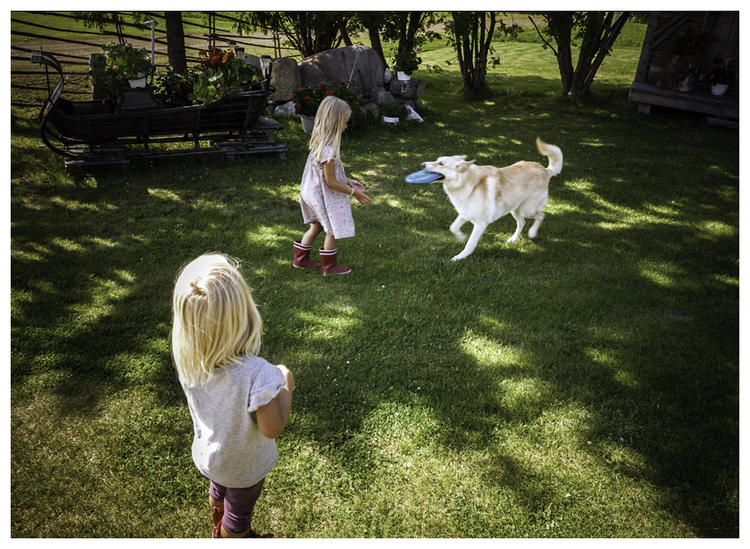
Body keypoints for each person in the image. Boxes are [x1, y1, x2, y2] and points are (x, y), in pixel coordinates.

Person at [171, 253, 295, 538]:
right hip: (244, 466)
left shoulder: (190, 363)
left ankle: (217, 518)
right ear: (244, 313)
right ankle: (231, 536)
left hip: (211, 458)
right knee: (238, 513)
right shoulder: (258, 374)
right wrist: (286, 385)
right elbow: (272, 427)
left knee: (219, 489)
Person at [294, 95, 372, 275]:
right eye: (345, 122)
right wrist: (354, 193)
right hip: (320, 195)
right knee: (331, 230)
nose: (346, 126)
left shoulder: (319, 141)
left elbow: (328, 175)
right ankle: (330, 267)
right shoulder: (328, 150)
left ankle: (301, 259)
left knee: (317, 226)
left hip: (310, 191)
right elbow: (330, 182)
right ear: (336, 122)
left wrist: (349, 180)